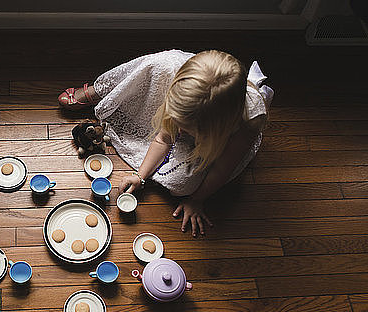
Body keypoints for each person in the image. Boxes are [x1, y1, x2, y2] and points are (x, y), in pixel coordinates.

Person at [58, 50, 273, 237]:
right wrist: (140, 176)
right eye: (177, 122)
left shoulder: (248, 123)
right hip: (184, 78)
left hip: (226, 132)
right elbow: (163, 137)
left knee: (182, 187)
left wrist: (197, 200)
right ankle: (103, 89)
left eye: (186, 128)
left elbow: (221, 169)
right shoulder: (182, 94)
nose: (178, 131)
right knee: (160, 64)